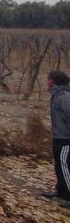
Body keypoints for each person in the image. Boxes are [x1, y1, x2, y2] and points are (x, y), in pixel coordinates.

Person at [43, 71, 70, 207]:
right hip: (59, 136)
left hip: (66, 138)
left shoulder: (64, 97)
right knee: (59, 165)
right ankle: (61, 190)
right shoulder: (57, 95)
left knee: (65, 165)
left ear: (52, 81)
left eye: (48, 79)